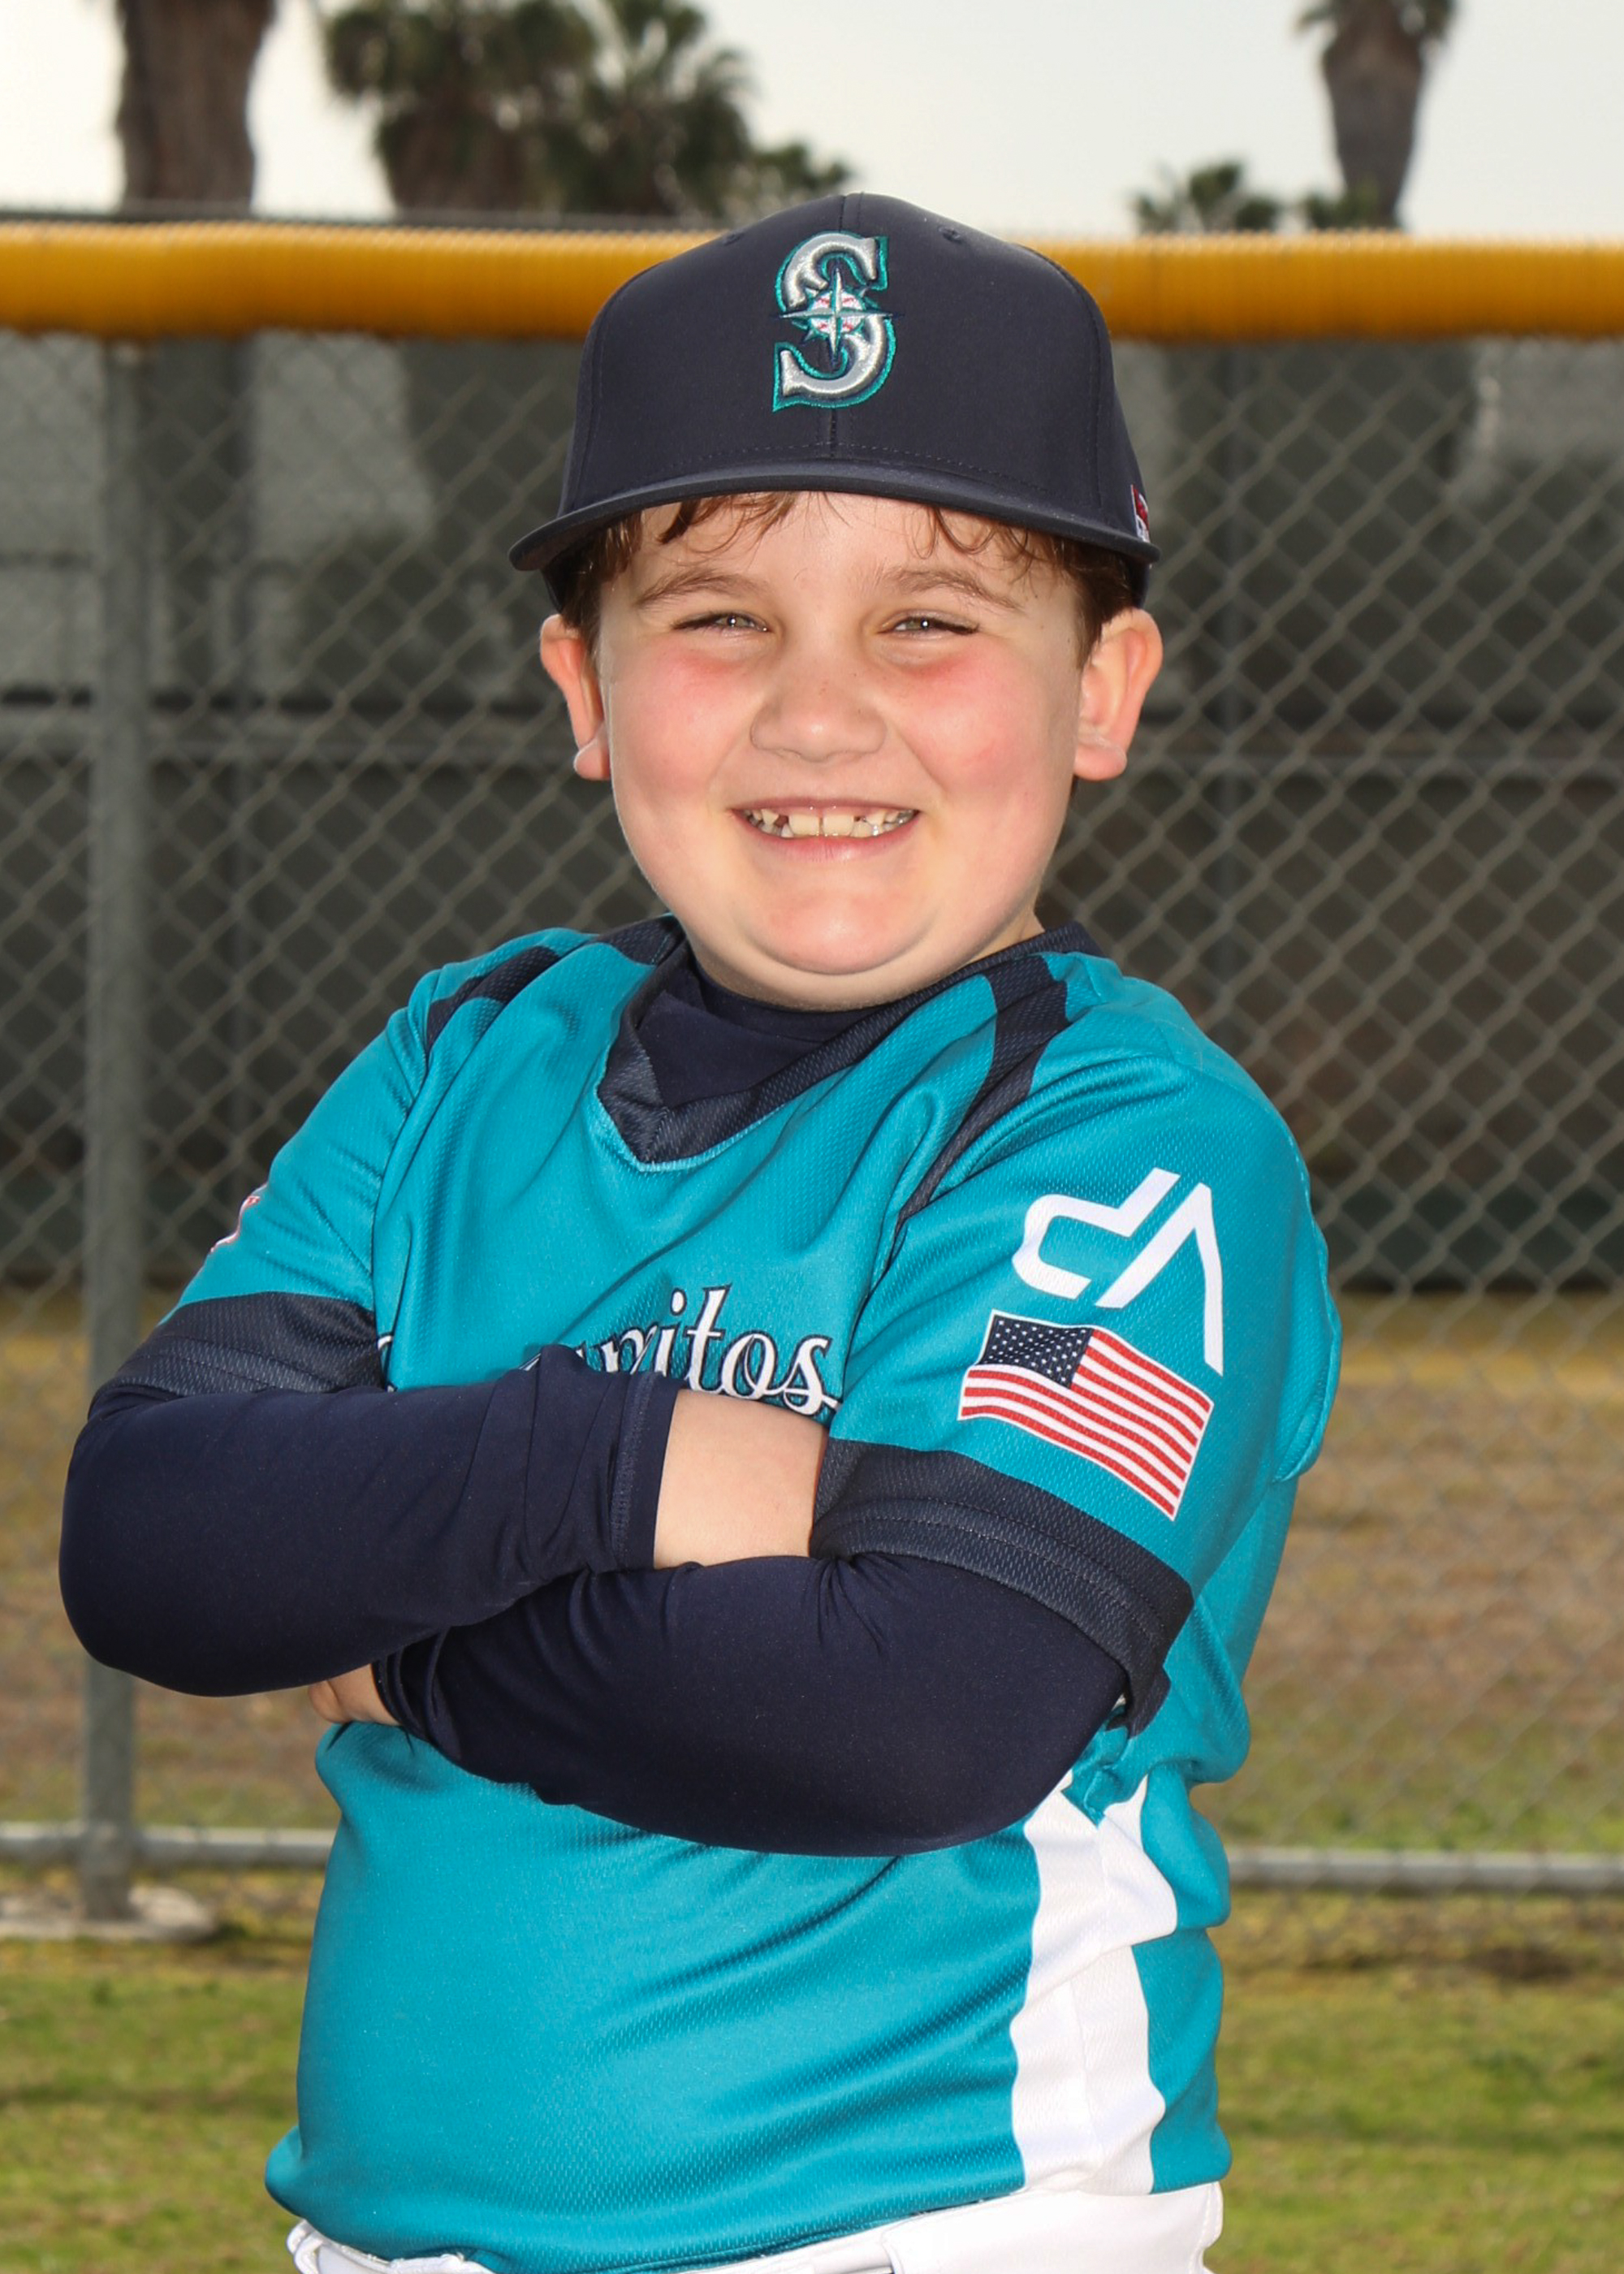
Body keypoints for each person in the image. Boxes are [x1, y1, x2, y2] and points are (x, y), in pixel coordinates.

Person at [60, 194, 1340, 2274]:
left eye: (930, 621)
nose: (818, 716)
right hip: (391, 2230)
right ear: (584, 686)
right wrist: (619, 1457)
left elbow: (914, 1705)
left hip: (929, 2220)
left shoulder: (1126, 1134)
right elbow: (154, 1538)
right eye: (722, 618)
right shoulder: (467, 1048)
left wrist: (396, 1622)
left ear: (1102, 692)